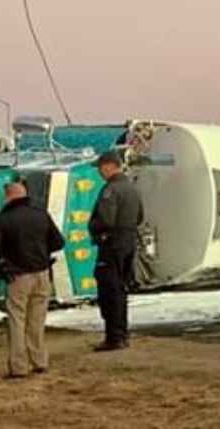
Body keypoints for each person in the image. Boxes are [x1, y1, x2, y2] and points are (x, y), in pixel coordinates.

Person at [0, 179, 65, 379]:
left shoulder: (4, 219)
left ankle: (19, 367)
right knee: (37, 320)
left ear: (8, 196)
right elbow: (59, 242)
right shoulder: (40, 214)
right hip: (43, 272)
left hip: (18, 275)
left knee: (17, 319)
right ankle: (40, 361)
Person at [88, 149, 144, 352]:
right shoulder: (131, 189)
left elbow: (105, 219)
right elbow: (139, 217)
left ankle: (114, 337)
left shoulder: (110, 190)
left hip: (111, 246)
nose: (99, 173)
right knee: (121, 290)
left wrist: (93, 227)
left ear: (109, 166)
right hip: (128, 243)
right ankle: (122, 333)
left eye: (100, 168)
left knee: (109, 292)